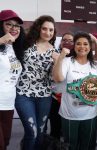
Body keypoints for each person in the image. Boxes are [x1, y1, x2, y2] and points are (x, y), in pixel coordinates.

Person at [52, 31, 97, 150]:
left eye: (85, 44)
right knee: (70, 146)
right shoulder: (67, 62)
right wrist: (61, 57)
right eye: (78, 43)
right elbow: (58, 78)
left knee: (88, 146)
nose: (82, 47)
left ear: (90, 48)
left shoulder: (95, 66)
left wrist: (94, 39)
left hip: (90, 115)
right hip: (69, 115)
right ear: (74, 46)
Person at [15, 15, 58, 150]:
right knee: (32, 132)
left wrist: (58, 61)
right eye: (44, 29)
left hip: (44, 96)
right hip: (23, 94)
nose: (48, 32)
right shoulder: (25, 42)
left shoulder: (54, 51)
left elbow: (54, 78)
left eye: (51, 30)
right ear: (38, 28)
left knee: (40, 133)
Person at [0, 9, 25, 150]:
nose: (13, 28)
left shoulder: (15, 49)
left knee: (6, 141)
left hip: (8, 104)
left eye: (16, 26)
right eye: (8, 24)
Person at [46, 32, 74, 140]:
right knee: (55, 130)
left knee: (69, 131)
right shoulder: (54, 54)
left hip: (71, 100)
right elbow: (52, 76)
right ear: (60, 42)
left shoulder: (77, 58)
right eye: (64, 40)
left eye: (70, 40)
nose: (67, 42)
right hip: (55, 98)